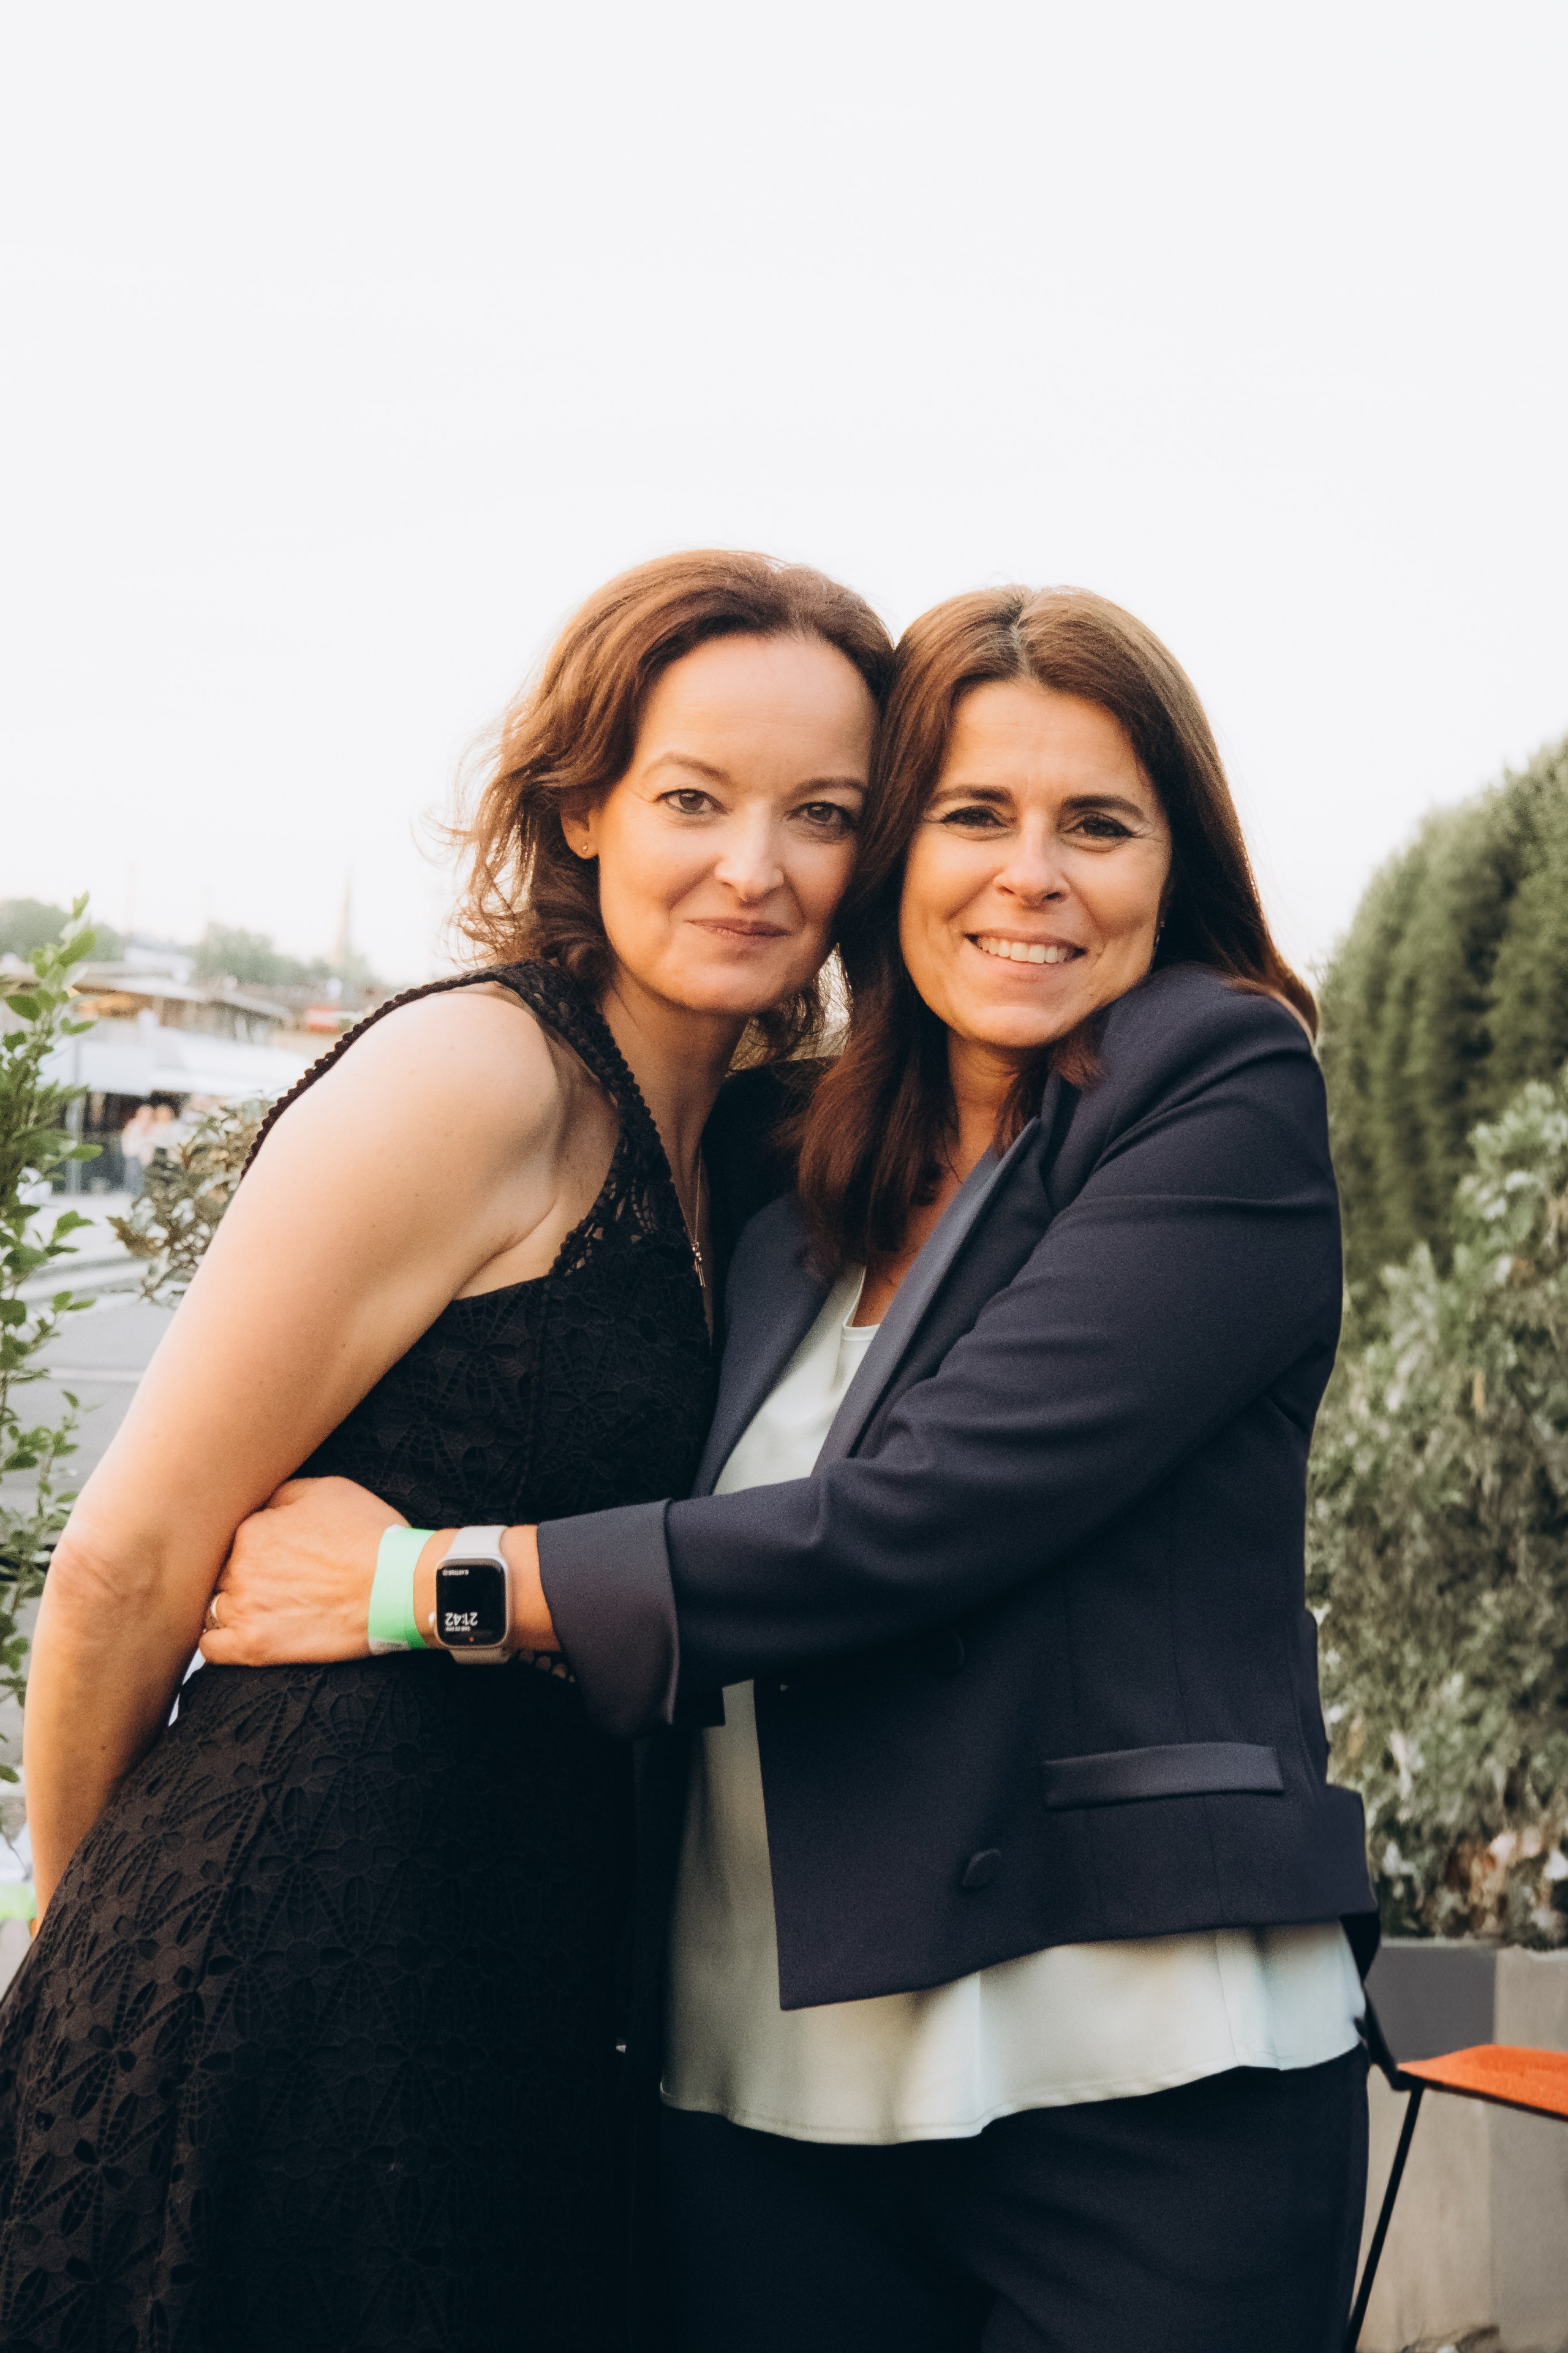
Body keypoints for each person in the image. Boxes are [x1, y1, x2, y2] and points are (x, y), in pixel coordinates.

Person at [213, 585, 1380, 2353]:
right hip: (757, 2094)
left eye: (1099, 825)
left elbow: (918, 1516)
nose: (1031, 874)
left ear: (1177, 860)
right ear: (896, 854)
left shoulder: (1218, 1091)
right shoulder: (783, 1160)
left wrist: (425, 1580)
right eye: (975, 815)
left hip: (1144, 2070)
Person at [0, 549, 891, 2352]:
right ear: (581, 808)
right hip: (281, 1969)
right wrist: (83, 1948)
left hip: (515, 1980)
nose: (759, 864)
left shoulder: (751, 1150)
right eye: (695, 797)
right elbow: (126, 1555)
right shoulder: (482, 1077)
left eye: (823, 813)